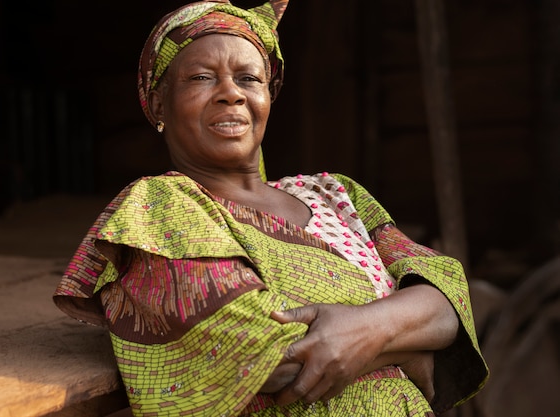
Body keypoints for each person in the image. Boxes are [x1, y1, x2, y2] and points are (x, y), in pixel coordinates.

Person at [53, 1, 488, 415]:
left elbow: (446, 295)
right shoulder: (162, 209)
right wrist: (412, 342)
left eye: (249, 79)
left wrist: (365, 331)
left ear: (268, 96)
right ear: (159, 101)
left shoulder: (333, 192)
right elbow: (263, 352)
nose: (231, 94)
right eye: (202, 77)